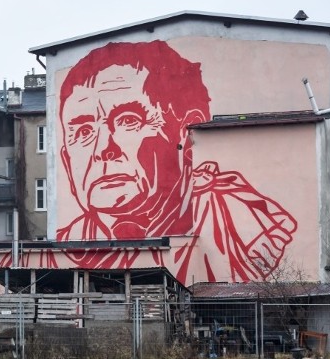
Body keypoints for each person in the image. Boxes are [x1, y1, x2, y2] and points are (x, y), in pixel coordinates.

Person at [56, 40, 297, 282]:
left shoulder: (234, 215)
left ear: (185, 133)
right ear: (66, 161)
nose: (104, 149)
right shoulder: (59, 252)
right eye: (84, 132)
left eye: (129, 121)